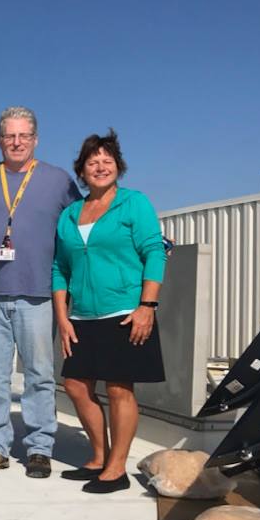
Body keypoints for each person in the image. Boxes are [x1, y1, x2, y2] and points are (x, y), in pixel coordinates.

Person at [0, 106, 81, 478]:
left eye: (24, 135)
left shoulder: (58, 181)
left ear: (36, 139)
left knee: (39, 374)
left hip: (39, 293)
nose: (16, 142)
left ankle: (40, 447)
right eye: (10, 135)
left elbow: (78, 227)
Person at [52, 129, 166, 493]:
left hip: (125, 311)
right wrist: (62, 315)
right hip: (82, 315)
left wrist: (147, 306)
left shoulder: (134, 203)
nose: (100, 166)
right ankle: (99, 456)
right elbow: (59, 268)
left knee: (119, 389)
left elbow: (154, 253)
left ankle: (117, 470)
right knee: (74, 385)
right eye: (92, 161)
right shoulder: (70, 213)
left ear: (118, 166)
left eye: (107, 160)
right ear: (81, 171)